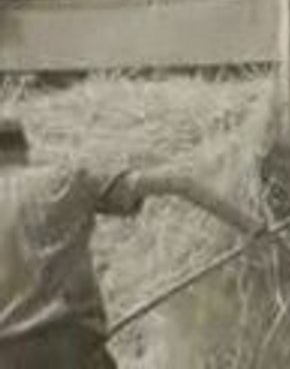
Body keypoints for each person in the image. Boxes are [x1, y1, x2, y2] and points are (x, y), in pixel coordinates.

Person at [0, 117, 265, 368]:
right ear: (24, 149)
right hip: (73, 347)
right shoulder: (65, 181)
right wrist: (250, 226)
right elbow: (178, 182)